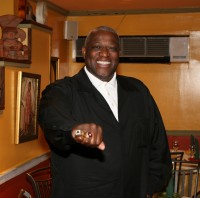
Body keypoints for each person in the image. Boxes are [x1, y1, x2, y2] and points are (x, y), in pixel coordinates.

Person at [38, 26, 172, 198]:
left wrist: (150, 186)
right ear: (85, 51)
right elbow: (52, 121)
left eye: (112, 48)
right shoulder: (62, 90)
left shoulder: (137, 91)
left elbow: (158, 144)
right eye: (97, 47)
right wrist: (76, 131)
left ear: (118, 54)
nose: (104, 53)